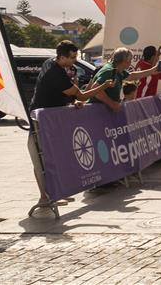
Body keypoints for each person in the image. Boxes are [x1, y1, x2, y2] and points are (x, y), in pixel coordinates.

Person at [28, 41, 114, 203]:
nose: (75, 60)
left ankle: (55, 191)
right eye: (72, 57)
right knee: (41, 159)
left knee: (55, 156)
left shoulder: (52, 64)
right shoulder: (56, 73)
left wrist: (72, 101)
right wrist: (102, 86)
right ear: (61, 57)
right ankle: (44, 197)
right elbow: (82, 95)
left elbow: (63, 93)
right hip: (41, 120)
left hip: (51, 118)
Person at [91, 47, 160, 111]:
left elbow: (132, 76)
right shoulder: (109, 70)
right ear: (124, 60)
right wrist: (112, 104)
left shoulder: (117, 69)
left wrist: (152, 70)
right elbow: (95, 88)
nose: (130, 63)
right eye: (130, 60)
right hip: (97, 110)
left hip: (104, 110)